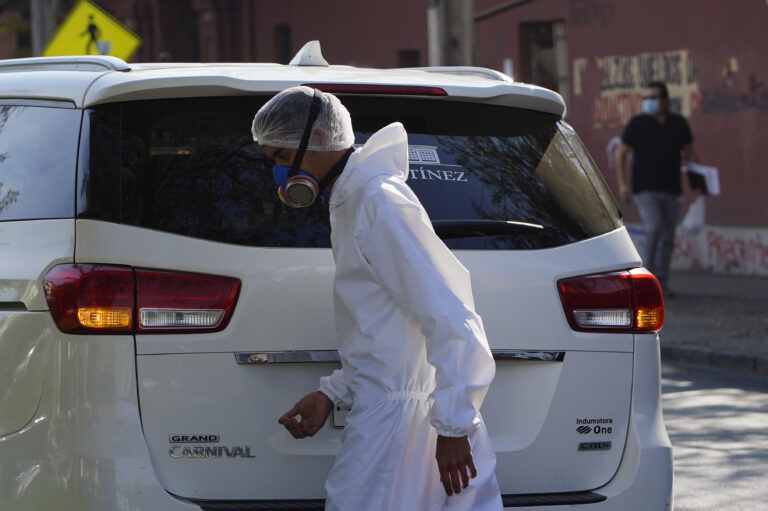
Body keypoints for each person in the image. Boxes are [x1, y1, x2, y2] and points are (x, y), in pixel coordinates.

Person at [251, 86, 502, 511]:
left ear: (317, 139)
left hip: (401, 428)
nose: (278, 172)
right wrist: (334, 391)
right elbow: (382, 326)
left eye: (279, 156)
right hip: (393, 417)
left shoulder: (378, 203)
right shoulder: (354, 202)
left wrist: (455, 426)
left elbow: (450, 313)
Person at [615, 81, 698, 296]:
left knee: (668, 235)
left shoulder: (678, 123)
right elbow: (621, 154)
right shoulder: (637, 123)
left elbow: (690, 153)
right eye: (646, 98)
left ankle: (662, 281)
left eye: (653, 98)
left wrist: (700, 178)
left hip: (672, 188)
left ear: (665, 100)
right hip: (645, 189)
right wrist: (623, 184)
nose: (648, 102)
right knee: (654, 229)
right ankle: (646, 280)